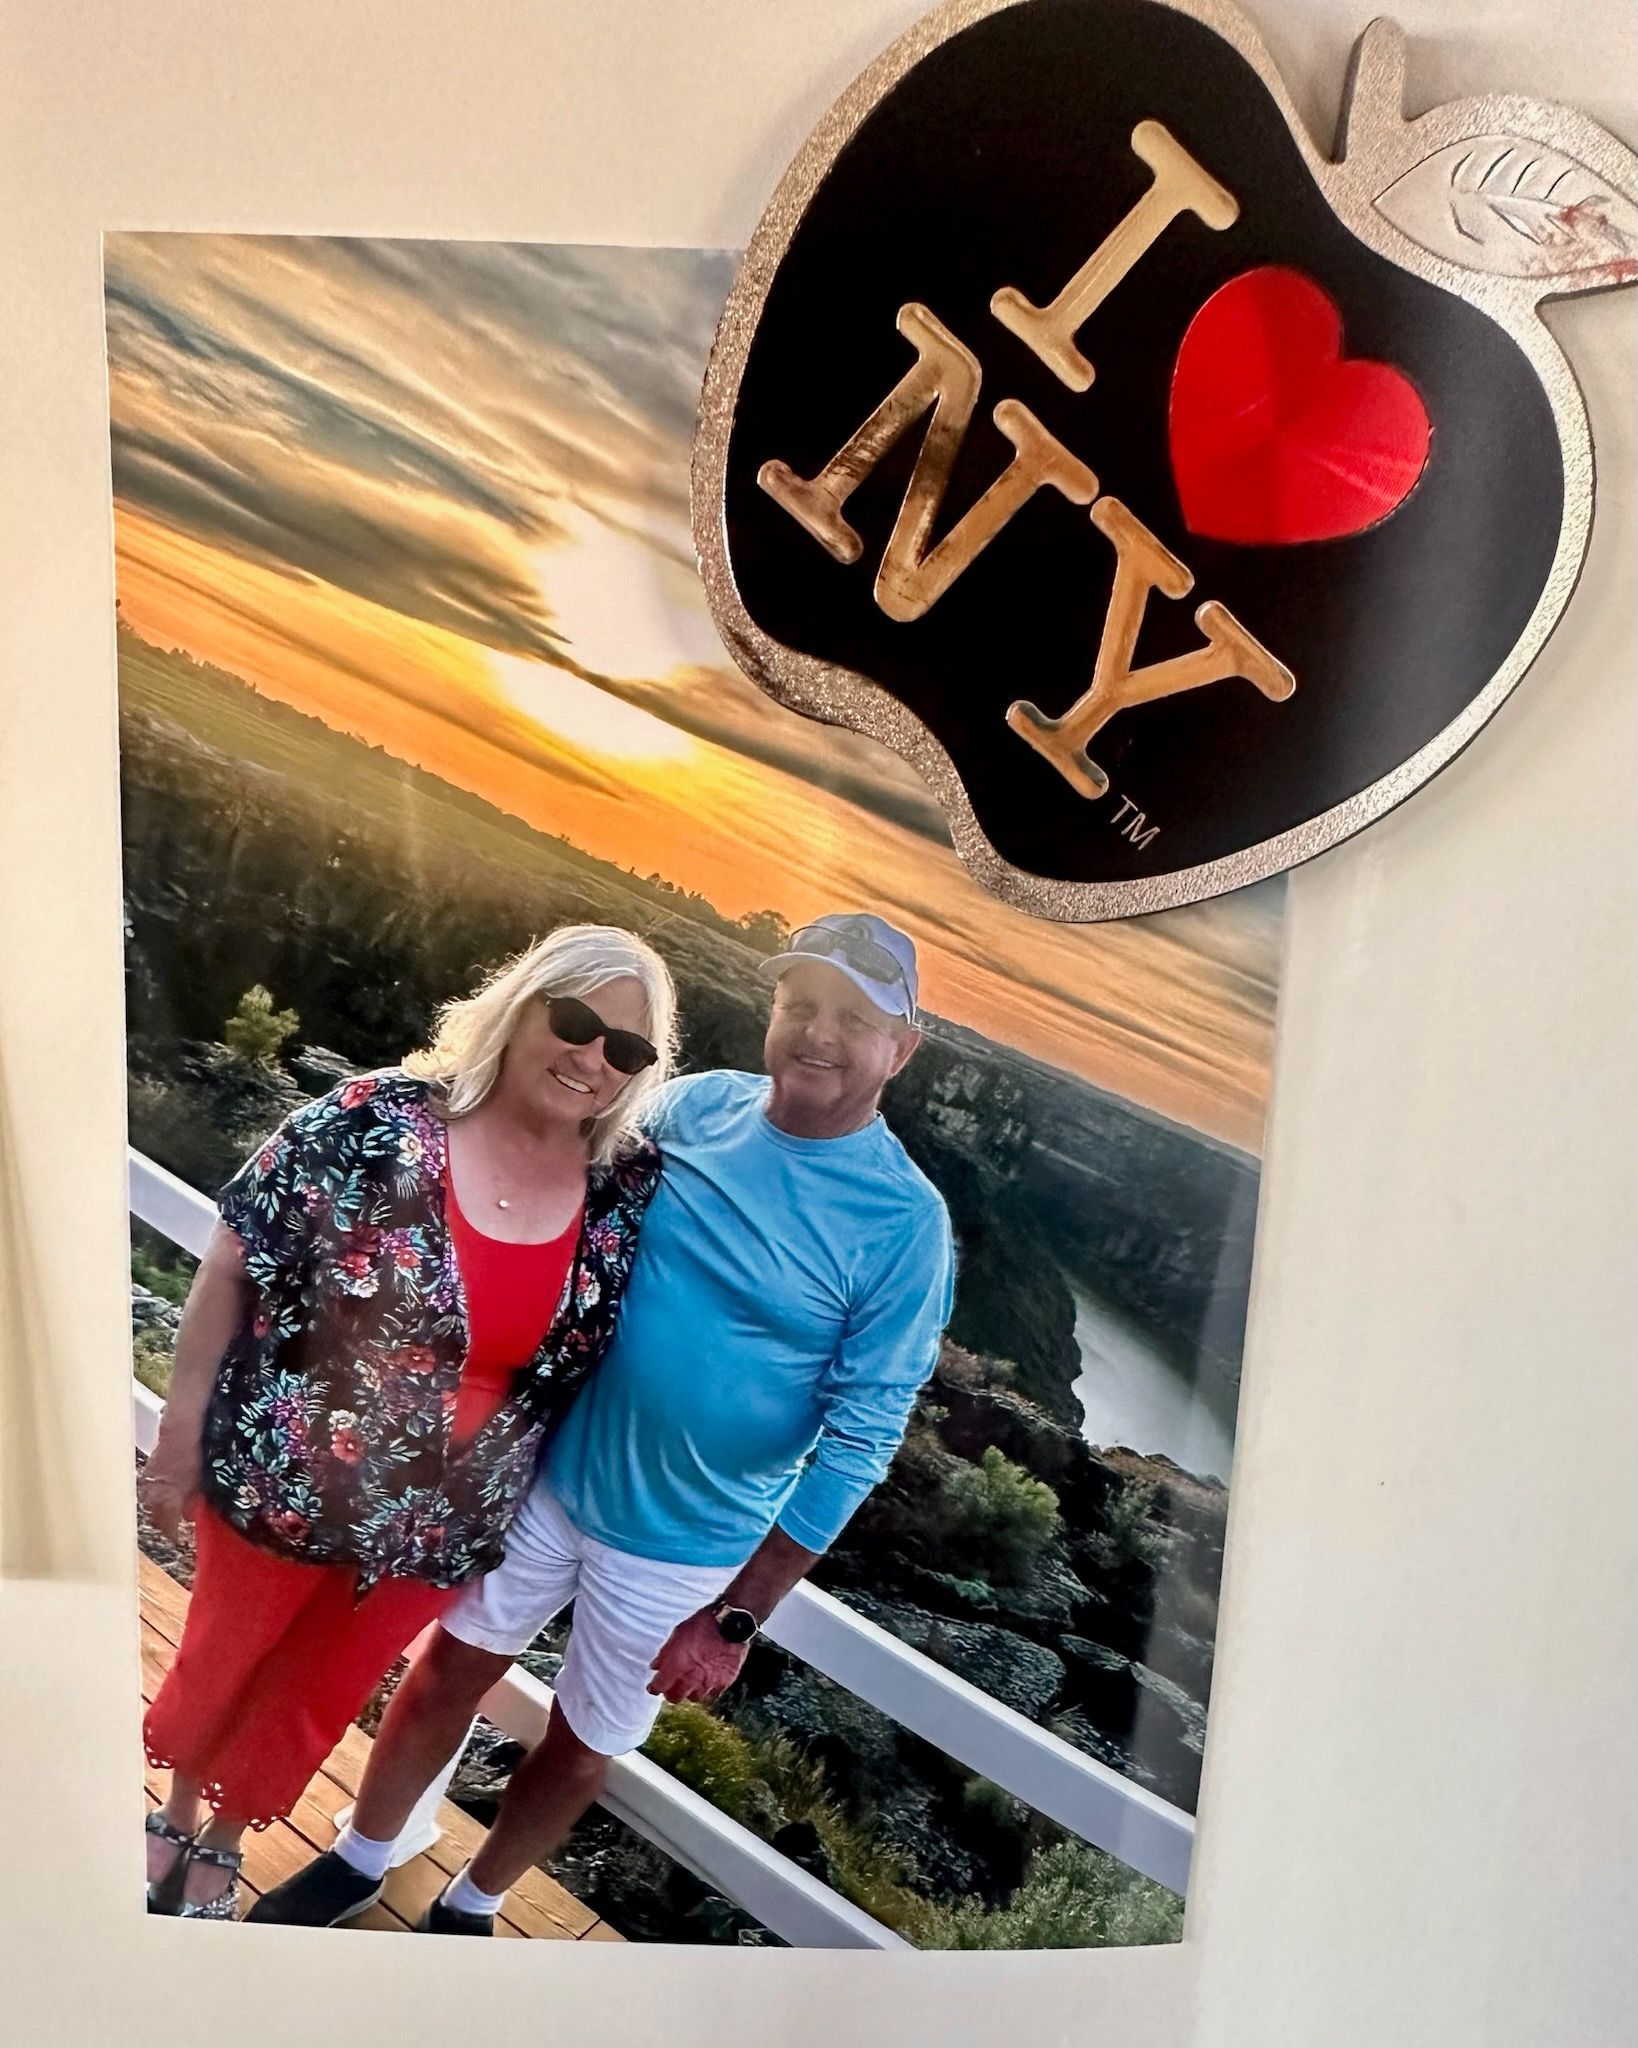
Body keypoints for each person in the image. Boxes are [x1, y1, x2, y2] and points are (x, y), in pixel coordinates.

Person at [255, 911, 955, 1934]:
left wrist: (734, 1616)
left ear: (903, 1047)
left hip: (686, 1550)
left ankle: (473, 1901)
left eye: (853, 1017)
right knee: (448, 1664)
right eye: (801, 1003)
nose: (818, 1032)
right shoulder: (695, 1107)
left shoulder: (905, 1225)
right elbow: (550, 1178)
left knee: (584, 1741)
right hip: (547, 1473)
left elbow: (861, 1437)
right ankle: (362, 1856)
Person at [139, 924, 676, 1919]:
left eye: (626, 1049)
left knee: (314, 1695)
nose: (591, 1056)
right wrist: (175, 1441)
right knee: (224, 1653)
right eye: (574, 1022)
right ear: (521, 1005)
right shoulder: (374, 1118)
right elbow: (232, 1259)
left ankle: (226, 1832)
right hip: (285, 1479)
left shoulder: (621, 1188)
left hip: (438, 1527)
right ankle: (172, 1810)